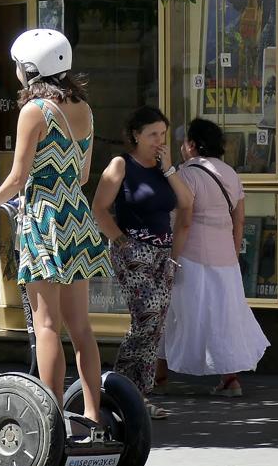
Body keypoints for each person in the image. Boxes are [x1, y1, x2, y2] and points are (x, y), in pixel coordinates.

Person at [0, 29, 111, 428]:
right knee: (81, 327)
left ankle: (51, 419)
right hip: (76, 217)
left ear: (30, 69)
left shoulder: (35, 110)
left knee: (47, 325)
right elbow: (82, 175)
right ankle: (93, 415)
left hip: (44, 219)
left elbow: (17, 177)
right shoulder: (84, 107)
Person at [91, 106, 193, 419]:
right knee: (147, 318)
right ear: (136, 135)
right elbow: (99, 208)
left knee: (153, 326)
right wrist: (122, 242)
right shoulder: (122, 165)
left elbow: (187, 203)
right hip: (134, 251)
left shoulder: (165, 170)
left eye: (163, 134)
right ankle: (121, 390)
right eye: (152, 134)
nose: (158, 140)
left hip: (162, 254)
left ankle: (132, 395)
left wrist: (170, 169)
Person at [159, 119, 269, 397]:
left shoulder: (186, 175)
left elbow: (182, 222)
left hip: (190, 255)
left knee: (172, 313)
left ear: (192, 145)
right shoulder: (230, 173)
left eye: (185, 142)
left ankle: (158, 376)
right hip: (225, 258)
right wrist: (232, 253)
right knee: (223, 316)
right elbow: (239, 220)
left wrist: (172, 258)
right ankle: (230, 378)